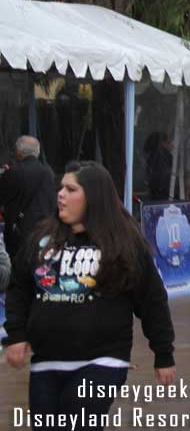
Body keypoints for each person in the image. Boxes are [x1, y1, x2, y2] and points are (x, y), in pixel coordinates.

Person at [2, 162, 176, 425]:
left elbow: (152, 299)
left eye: (71, 189)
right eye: (61, 188)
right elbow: (19, 288)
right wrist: (16, 335)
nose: (60, 194)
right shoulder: (42, 239)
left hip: (103, 359)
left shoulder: (123, 242)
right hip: (47, 361)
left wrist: (163, 353)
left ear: (93, 196)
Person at [0, 135, 58, 264]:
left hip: (19, 233)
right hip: (45, 231)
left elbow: (3, 198)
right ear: (37, 152)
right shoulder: (48, 172)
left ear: (19, 152)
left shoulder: (13, 173)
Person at [142, 132, 173, 200]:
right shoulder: (163, 156)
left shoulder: (151, 156)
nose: (172, 145)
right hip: (163, 195)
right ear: (163, 143)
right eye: (169, 142)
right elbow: (162, 178)